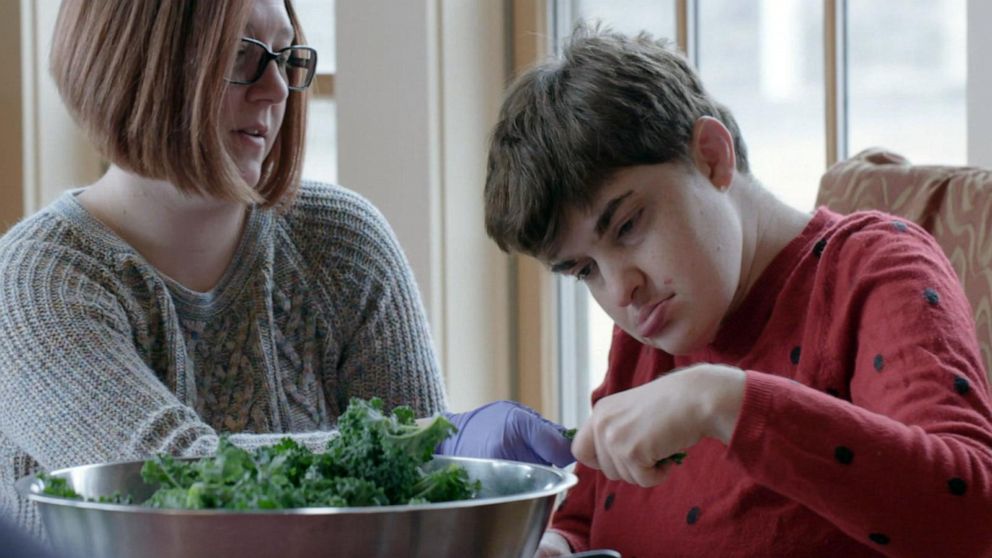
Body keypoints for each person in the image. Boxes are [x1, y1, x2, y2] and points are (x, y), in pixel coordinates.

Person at [0, 0, 571, 539]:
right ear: (138, 64)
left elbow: (415, 514)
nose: (276, 89)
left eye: (284, 57)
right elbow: (164, 477)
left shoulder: (343, 243)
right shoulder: (33, 282)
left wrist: (442, 458)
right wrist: (433, 444)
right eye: (239, 57)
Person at [484, 24, 992, 557]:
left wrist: (724, 401)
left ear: (711, 156)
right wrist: (555, 545)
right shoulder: (652, 327)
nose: (619, 290)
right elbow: (589, 515)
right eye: (584, 269)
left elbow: (970, 521)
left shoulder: (872, 271)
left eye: (628, 225)